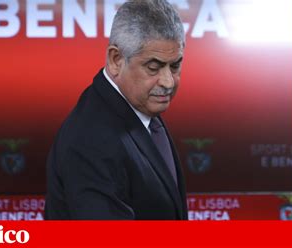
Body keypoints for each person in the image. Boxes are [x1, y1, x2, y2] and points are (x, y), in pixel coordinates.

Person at [45, 0, 188, 220]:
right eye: (153, 68)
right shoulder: (92, 139)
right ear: (116, 60)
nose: (168, 82)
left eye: (175, 65)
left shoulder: (140, 106)